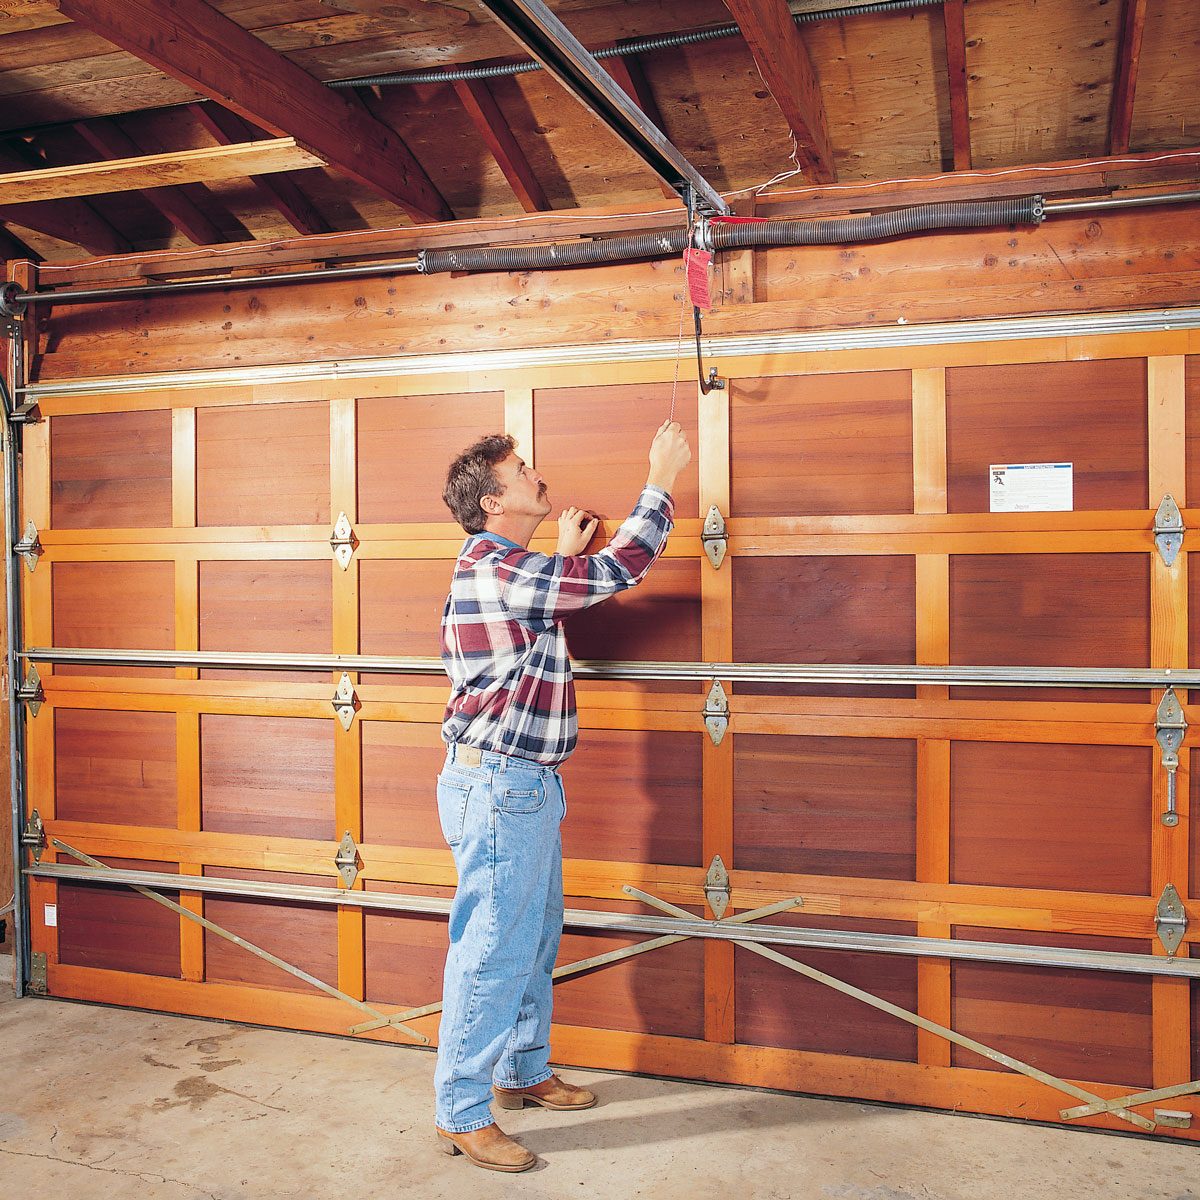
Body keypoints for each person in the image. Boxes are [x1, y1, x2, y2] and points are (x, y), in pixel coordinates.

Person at [433, 419, 692, 1172]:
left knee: (533, 938)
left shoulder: (510, 569)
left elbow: (545, 608)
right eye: (521, 470)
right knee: (490, 952)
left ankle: (520, 1069)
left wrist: (562, 558)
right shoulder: (496, 568)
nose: (536, 475)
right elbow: (619, 573)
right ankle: (461, 1110)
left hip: (521, 783)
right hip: (500, 784)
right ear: (493, 503)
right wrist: (661, 479)